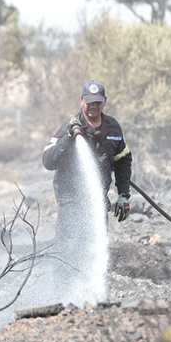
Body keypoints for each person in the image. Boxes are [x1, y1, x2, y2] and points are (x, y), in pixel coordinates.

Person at [42, 80, 133, 297]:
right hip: (70, 198)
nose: (93, 106)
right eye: (89, 102)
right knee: (68, 247)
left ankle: (92, 294)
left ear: (104, 102)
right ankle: (63, 297)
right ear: (82, 101)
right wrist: (68, 137)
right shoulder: (69, 126)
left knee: (95, 244)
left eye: (98, 102)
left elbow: (123, 160)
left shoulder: (113, 128)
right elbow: (48, 160)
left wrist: (123, 194)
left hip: (97, 198)